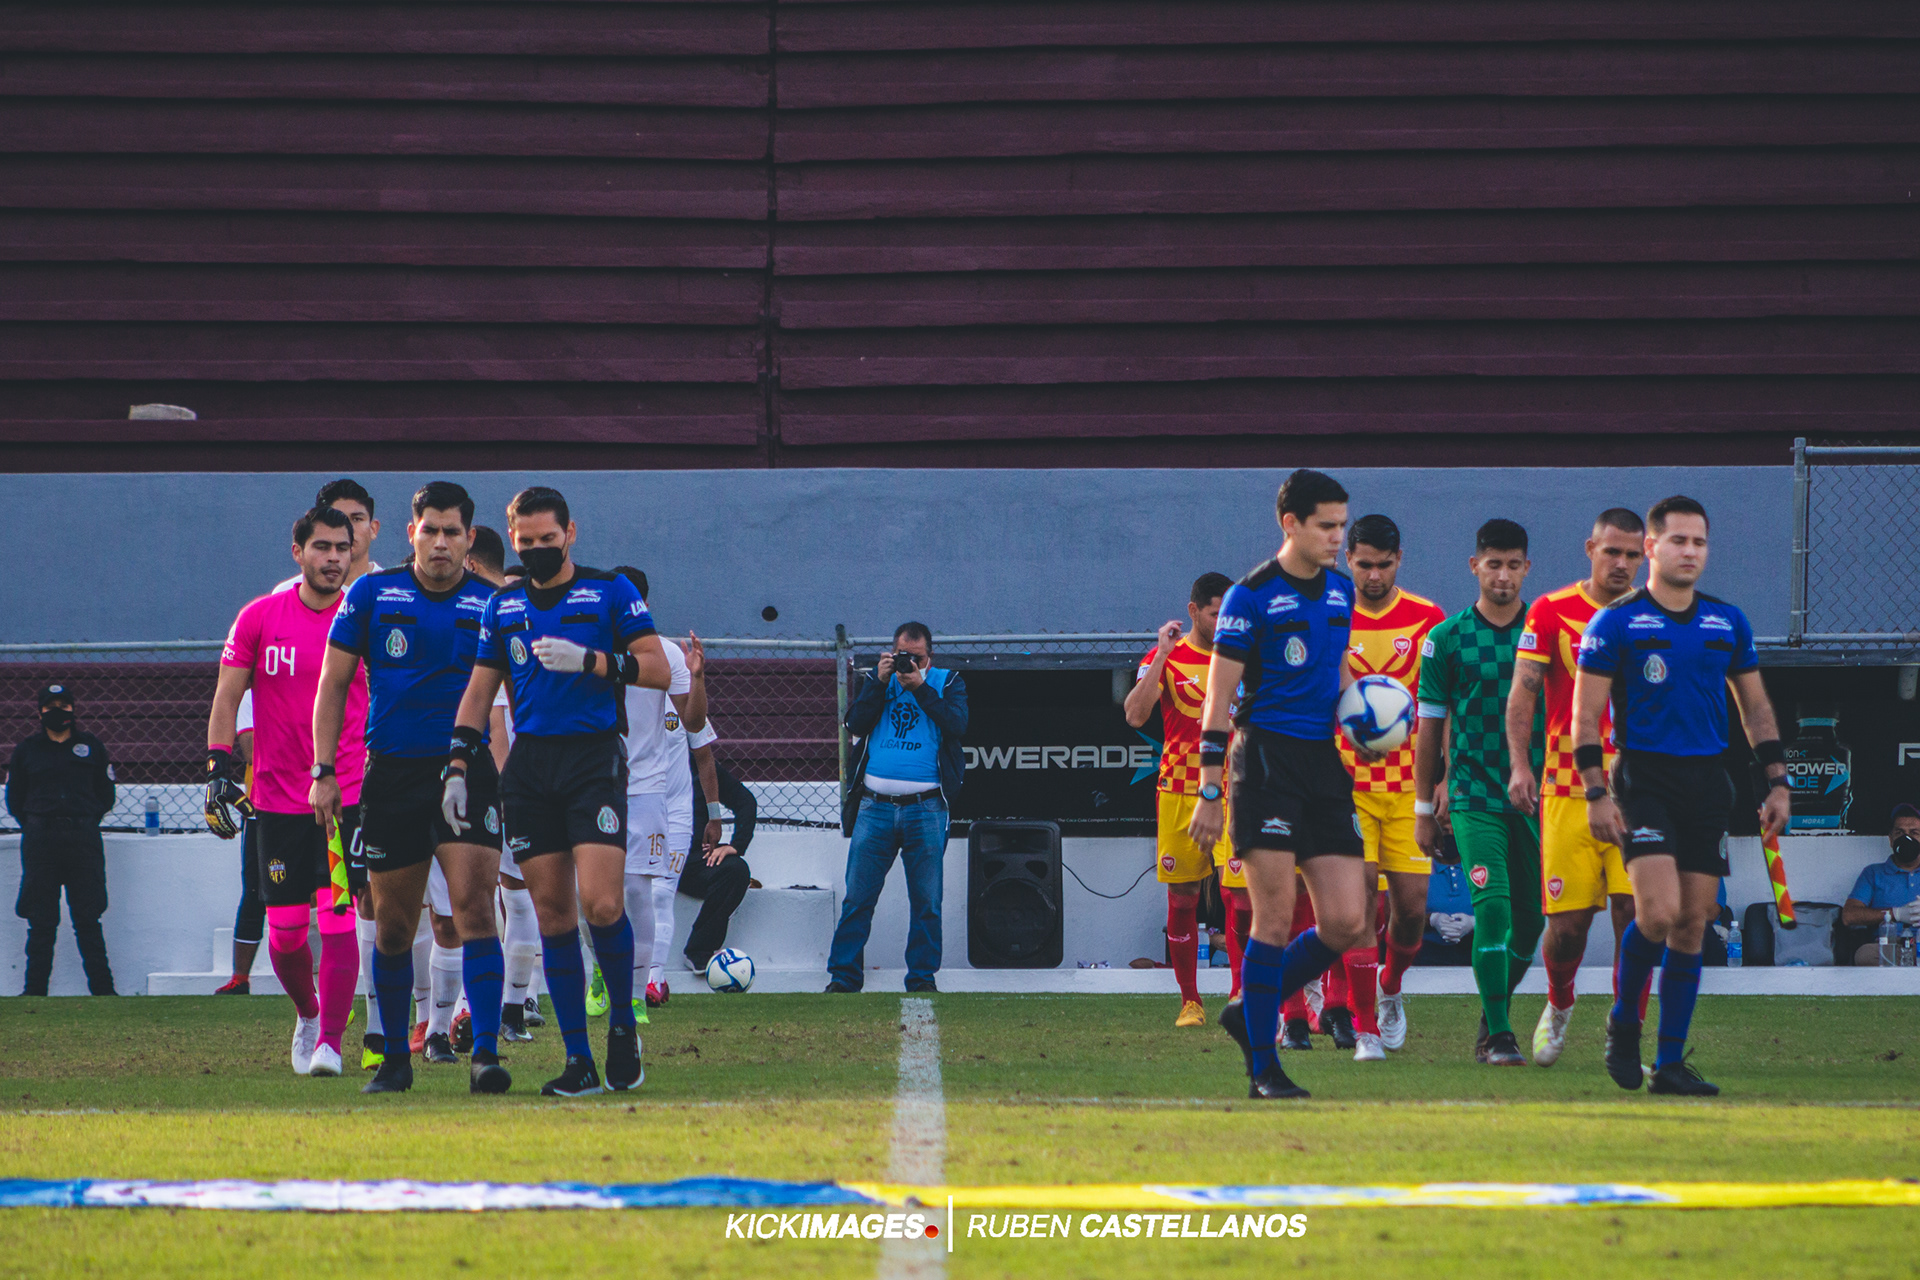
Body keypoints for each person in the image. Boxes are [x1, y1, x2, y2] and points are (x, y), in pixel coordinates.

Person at [442, 486, 671, 1097]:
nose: (539, 550)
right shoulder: (503, 606)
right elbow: (478, 689)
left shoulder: (609, 592)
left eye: (549, 539)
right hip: (530, 768)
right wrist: (458, 764)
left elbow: (658, 667)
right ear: (512, 540)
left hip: (593, 760)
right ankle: (579, 1061)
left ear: (571, 532)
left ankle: (623, 1025)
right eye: (527, 542)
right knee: (552, 916)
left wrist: (594, 662)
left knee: (602, 905)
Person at [1575, 495, 1790, 1096]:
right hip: (1643, 781)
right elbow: (1585, 718)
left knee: (1693, 924)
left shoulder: (1728, 621)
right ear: (1651, 548)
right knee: (1658, 913)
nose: (1690, 552)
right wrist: (1595, 793)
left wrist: (1776, 781)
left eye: (1699, 542)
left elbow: (1754, 706)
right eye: (1678, 541)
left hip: (1707, 784)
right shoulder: (1615, 622)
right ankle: (1623, 1021)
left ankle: (1669, 1063)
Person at [312, 481, 510, 1096]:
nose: (442, 543)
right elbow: (333, 683)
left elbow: (519, 694)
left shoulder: (493, 601)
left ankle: (485, 1055)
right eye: (431, 530)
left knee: (476, 912)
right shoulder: (372, 593)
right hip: (391, 774)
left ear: (470, 539)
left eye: (453, 532)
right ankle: (395, 1058)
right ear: (411, 533)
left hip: (466, 772)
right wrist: (324, 770)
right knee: (393, 926)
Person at [1191, 468, 1377, 1100]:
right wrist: (1210, 790)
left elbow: (1335, 668)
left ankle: (1249, 1009)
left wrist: (1369, 711)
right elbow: (1217, 702)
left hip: (1323, 764)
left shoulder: (1341, 593)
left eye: (1342, 525)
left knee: (1348, 919)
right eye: (1327, 526)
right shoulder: (1250, 597)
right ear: (1289, 524)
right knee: (1271, 916)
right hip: (1263, 762)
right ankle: (1264, 1067)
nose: (1337, 537)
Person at [206, 506, 368, 1078]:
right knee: (287, 933)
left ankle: (331, 1043)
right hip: (276, 798)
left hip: (343, 797)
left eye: (342, 548)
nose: (332, 558)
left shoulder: (363, 619)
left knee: (338, 919)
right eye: (321, 547)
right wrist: (219, 766)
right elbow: (227, 697)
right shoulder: (258, 617)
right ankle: (308, 1012)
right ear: (297, 551)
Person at [1506, 508, 1647, 1067]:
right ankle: (1559, 1004)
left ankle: (1625, 1028)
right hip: (1566, 790)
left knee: (1634, 918)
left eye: (1632, 555)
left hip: (1639, 789)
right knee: (1567, 929)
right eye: (1611, 552)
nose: (1621, 563)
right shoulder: (1550, 610)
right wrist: (1520, 765)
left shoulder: (1653, 614)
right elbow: (1523, 696)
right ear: (1590, 548)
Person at [1413, 519, 1544, 1066]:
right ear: (1475, 567)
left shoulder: (1546, 635)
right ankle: (1501, 1033)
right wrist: (1426, 803)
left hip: (1538, 799)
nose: (1504, 576)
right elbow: (1429, 728)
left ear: (1526, 569)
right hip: (1470, 797)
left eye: (1514, 565)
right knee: (1491, 908)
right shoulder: (1445, 639)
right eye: (1494, 564)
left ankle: (1493, 1013)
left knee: (1533, 922)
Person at [1335, 515, 1446, 1061]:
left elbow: (1442, 706)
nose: (1373, 575)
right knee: (1358, 910)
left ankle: (1391, 987)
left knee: (1410, 912)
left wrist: (1442, 776)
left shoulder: (1428, 618)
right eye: (1363, 564)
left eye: (1383, 564)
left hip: (1408, 786)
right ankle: (1364, 1030)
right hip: (1348, 784)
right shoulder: (1331, 615)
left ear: (1398, 560)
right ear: (1347, 560)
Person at [1122, 572, 1247, 1028]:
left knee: (1241, 896)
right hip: (1179, 790)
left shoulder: (1244, 656)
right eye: (1217, 613)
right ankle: (1190, 1001)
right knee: (1183, 896)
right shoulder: (1166, 658)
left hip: (1235, 791)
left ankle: (1239, 995)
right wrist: (1163, 656)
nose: (1226, 621)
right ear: (1194, 612)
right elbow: (1135, 715)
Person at [827, 623, 969, 994]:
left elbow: (957, 724)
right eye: (902, 656)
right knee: (858, 896)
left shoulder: (947, 681)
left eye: (916, 658)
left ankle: (921, 978)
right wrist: (877, 680)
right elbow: (854, 723)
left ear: (929, 658)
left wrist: (920, 687)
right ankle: (843, 977)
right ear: (891, 653)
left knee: (927, 900)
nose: (909, 664)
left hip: (926, 807)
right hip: (875, 807)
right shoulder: (877, 681)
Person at [603, 567, 717, 1022]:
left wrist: (697, 677)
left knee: (640, 892)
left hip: (647, 790)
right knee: (585, 895)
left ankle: (635, 992)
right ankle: (601, 973)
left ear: (641, 606)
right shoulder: (590, 646)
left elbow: (692, 725)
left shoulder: (666, 653)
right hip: (593, 784)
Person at [467, 527, 542, 1040]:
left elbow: (495, 719)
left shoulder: (488, 612)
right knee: (520, 897)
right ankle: (519, 1005)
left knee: (470, 903)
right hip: (542, 768)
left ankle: (457, 1015)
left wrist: (503, 786)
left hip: (492, 778)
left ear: (470, 562)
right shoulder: (530, 607)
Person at [7, 684, 117, 996]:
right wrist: (36, 823)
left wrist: (84, 818)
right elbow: (15, 799)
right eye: (51, 705)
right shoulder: (27, 750)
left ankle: (104, 991)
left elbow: (106, 794)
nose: (58, 710)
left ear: (73, 708)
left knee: (88, 916)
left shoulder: (91, 746)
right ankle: (35, 991)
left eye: (64, 704)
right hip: (41, 840)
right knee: (41, 919)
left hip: (83, 838)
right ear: (40, 711)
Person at [684, 758, 758, 972]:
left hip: (692, 860)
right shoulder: (643, 763)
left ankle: (700, 951)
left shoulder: (701, 767)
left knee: (735, 870)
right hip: (653, 856)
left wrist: (736, 845)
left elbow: (745, 801)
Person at [1839, 804, 1920, 965]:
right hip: (1890, 946)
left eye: (1914, 833)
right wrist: (1895, 914)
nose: (1907, 838)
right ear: (1890, 839)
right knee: (1865, 954)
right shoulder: (1874, 873)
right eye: (1899, 833)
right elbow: (1849, 916)